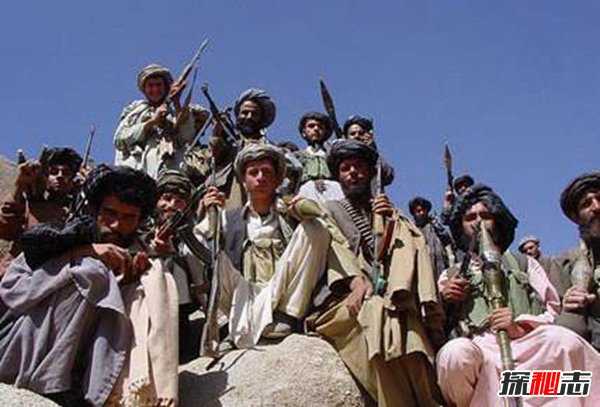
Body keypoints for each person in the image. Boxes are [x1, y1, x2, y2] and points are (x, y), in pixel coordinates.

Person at [0, 165, 179, 406]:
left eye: (128, 218)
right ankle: (48, 382)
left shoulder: (138, 252)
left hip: (88, 364)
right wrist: (83, 253)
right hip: (19, 345)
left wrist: (126, 283)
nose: (116, 225)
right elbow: (14, 290)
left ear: (139, 221)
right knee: (92, 271)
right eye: (110, 213)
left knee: (156, 278)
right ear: (94, 210)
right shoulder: (61, 235)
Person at [436, 183, 600, 407]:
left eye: (485, 215)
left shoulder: (524, 263)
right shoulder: (450, 275)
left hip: (530, 348)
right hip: (483, 355)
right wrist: (445, 300)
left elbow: (553, 310)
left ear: (497, 220)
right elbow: (435, 326)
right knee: (455, 355)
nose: (478, 222)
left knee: (565, 342)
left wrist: (519, 327)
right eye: (470, 218)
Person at [311, 139, 444, 407]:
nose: (353, 173)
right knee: (375, 319)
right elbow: (335, 250)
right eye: (345, 168)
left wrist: (392, 221)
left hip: (395, 302)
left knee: (416, 340)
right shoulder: (330, 210)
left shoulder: (390, 213)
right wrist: (355, 282)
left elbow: (408, 253)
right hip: (349, 300)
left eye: (359, 167)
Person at [195, 143, 346, 349]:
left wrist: (299, 209)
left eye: (266, 172)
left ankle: (287, 315)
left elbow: (324, 228)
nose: (260, 178)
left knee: (315, 228)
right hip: (241, 295)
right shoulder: (227, 218)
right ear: (243, 181)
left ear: (277, 180)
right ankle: (231, 325)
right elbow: (195, 248)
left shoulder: (290, 212)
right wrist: (206, 212)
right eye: (253, 173)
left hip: (281, 289)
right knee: (212, 255)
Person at [148, 169, 207, 360]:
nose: (172, 205)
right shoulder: (142, 228)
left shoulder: (192, 232)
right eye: (166, 198)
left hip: (184, 304)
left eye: (179, 201)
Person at [114, 63, 209, 179]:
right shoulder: (136, 111)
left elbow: (187, 137)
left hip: (172, 172)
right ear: (144, 89)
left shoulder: (176, 111)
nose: (155, 89)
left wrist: (177, 102)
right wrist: (151, 122)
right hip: (140, 173)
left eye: (159, 85)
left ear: (165, 87)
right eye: (150, 86)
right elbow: (120, 140)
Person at [0, 147, 82, 276]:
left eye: (66, 173)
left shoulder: (76, 217)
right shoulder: (30, 206)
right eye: (54, 172)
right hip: (14, 278)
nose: (60, 176)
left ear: (73, 180)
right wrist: (19, 186)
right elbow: (5, 229)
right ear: (45, 177)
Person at [555, 172, 600, 351]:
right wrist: (568, 308)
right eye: (586, 204)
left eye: (599, 199)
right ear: (577, 218)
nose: (596, 207)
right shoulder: (565, 264)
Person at [294, 112, 344, 202]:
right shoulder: (297, 156)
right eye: (311, 126)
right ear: (304, 132)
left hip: (333, 191)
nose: (316, 129)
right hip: (306, 192)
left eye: (320, 127)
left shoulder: (333, 156)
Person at [408, 196, 454, 282]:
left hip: (440, 267)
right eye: (418, 211)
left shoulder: (435, 225)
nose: (422, 213)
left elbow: (448, 240)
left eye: (423, 210)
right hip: (422, 269)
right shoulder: (411, 230)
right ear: (414, 213)